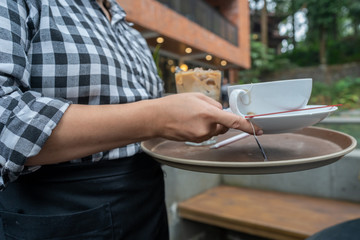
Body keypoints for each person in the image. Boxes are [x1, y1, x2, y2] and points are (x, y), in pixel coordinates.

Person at [0, 0, 262, 239]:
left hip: (146, 194)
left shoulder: (130, 32)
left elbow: (144, 109)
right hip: (59, 208)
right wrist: (156, 118)